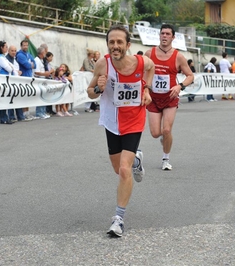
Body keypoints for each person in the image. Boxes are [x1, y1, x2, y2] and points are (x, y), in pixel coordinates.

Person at [86, 24, 155, 237]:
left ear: (128, 44)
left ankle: (118, 219)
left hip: (134, 120)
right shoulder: (102, 64)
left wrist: (146, 88)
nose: (115, 46)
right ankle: (137, 160)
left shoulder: (142, 62)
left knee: (124, 171)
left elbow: (150, 69)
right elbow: (89, 93)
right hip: (111, 122)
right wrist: (98, 87)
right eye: (111, 42)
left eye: (119, 42)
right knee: (119, 168)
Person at [144, 24, 194, 171]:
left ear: (173, 37)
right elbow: (141, 71)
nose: (164, 36)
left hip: (170, 98)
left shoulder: (178, 56)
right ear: (159, 36)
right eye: (162, 33)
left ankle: (166, 159)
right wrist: (145, 89)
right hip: (153, 98)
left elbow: (190, 76)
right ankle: (165, 140)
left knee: (166, 130)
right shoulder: (149, 53)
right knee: (155, 133)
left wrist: (180, 86)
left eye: (167, 34)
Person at [6, 45, 31, 122]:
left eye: (15, 51)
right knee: (11, 99)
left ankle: (20, 116)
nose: (14, 52)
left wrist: (18, 72)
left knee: (18, 98)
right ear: (8, 51)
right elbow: (9, 69)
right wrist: (17, 72)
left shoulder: (14, 59)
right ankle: (11, 116)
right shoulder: (6, 59)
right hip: (10, 82)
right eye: (12, 50)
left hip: (16, 81)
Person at [0, 40, 15, 125]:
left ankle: (5, 117)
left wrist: (11, 67)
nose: (7, 48)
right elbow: (9, 68)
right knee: (4, 99)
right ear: (1, 47)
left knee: (6, 99)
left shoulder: (3, 57)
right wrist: (10, 67)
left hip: (6, 79)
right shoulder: (0, 58)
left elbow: (12, 66)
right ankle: (3, 118)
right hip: (2, 80)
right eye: (6, 47)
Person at [16, 39, 36, 120]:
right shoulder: (20, 55)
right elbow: (27, 65)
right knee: (24, 96)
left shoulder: (28, 54)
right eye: (24, 45)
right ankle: (24, 113)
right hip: (23, 78)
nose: (26, 47)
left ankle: (27, 112)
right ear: (21, 46)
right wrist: (30, 64)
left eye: (27, 45)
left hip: (29, 77)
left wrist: (31, 64)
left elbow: (34, 64)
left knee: (28, 96)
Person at [34, 46, 51, 119]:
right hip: (39, 80)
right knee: (40, 97)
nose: (45, 54)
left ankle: (43, 112)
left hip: (43, 80)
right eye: (44, 52)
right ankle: (39, 113)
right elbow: (36, 72)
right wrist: (45, 74)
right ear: (42, 53)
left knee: (44, 96)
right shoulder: (37, 60)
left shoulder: (41, 60)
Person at [81, 48, 96, 113]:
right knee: (88, 90)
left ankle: (89, 106)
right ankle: (87, 107)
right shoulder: (86, 60)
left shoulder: (92, 61)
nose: (93, 55)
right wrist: (93, 70)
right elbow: (87, 68)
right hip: (87, 76)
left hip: (91, 76)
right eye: (92, 54)